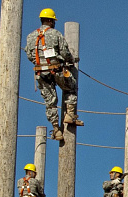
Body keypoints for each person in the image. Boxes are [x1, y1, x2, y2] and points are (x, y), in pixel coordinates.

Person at [25, 8, 82, 141]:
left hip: (40, 72)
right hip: (56, 70)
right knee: (71, 87)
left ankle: (56, 130)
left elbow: (29, 55)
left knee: (50, 102)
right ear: (50, 21)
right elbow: (65, 52)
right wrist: (71, 60)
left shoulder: (31, 36)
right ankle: (70, 115)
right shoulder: (55, 34)